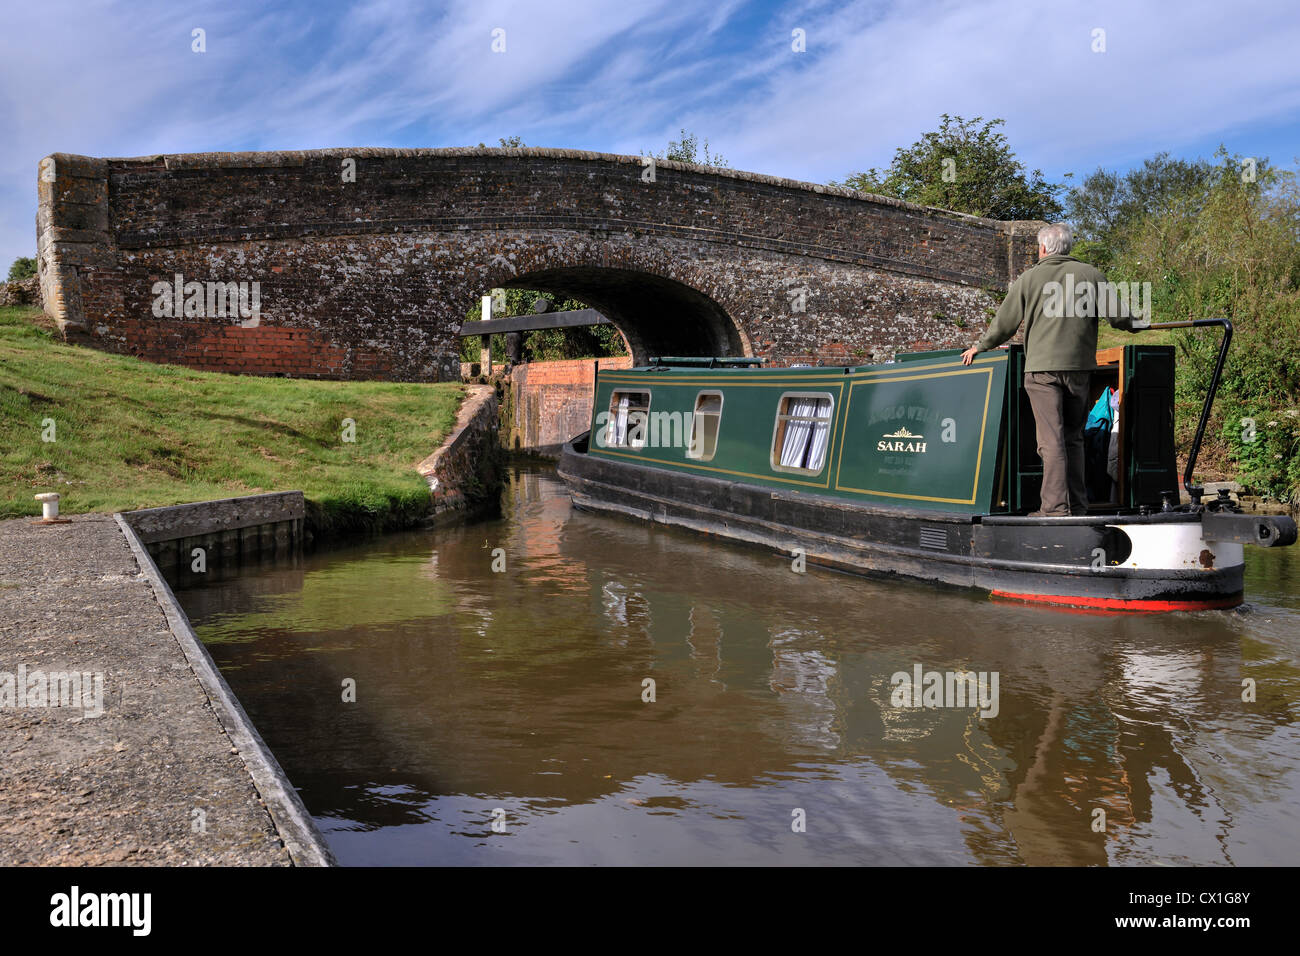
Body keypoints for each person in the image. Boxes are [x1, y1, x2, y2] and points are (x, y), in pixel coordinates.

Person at [960, 223, 1137, 516]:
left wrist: (980, 346)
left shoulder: (1029, 279)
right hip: (1079, 370)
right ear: (1068, 248)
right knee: (1073, 438)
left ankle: (1054, 509)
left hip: (1042, 371)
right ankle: (1078, 506)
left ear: (1042, 248)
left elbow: (1004, 324)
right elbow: (1119, 318)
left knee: (1051, 441)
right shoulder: (1090, 275)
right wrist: (1137, 323)